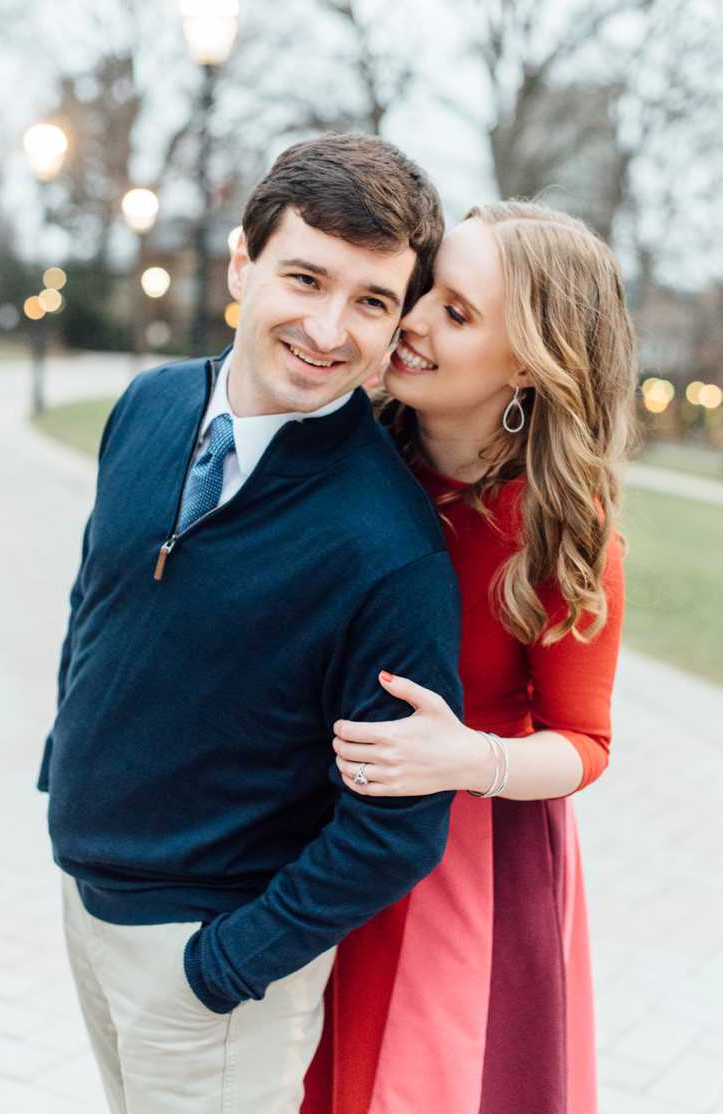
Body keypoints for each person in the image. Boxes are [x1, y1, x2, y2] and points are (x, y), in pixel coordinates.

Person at [39, 133, 465, 1113]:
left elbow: (396, 829)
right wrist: (63, 768)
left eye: (370, 301)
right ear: (243, 262)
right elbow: (95, 602)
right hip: (84, 897)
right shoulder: (145, 406)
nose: (328, 327)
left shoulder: (389, 546)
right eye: (306, 277)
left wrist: (225, 966)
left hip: (213, 968)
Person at [302, 202, 634, 1114]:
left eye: (456, 313)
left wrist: (467, 760)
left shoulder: (563, 530)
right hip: (306, 833)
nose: (410, 322)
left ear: (529, 360)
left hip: (469, 861)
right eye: (425, 292)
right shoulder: (342, 452)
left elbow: (584, 742)